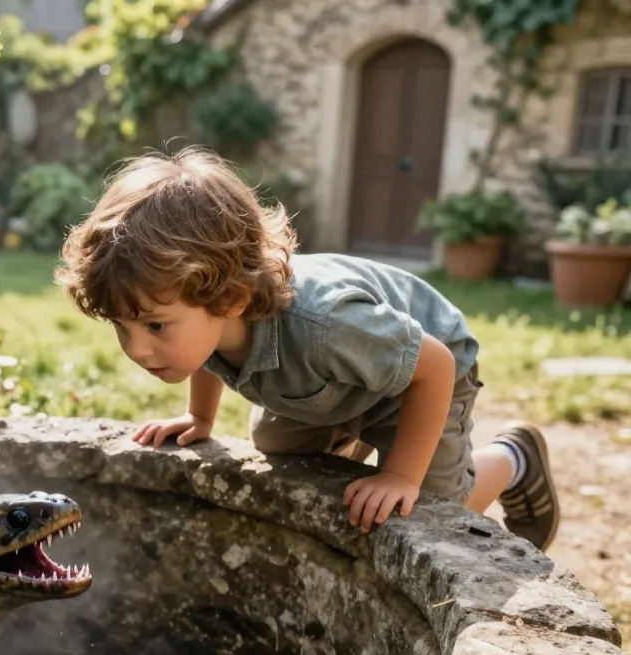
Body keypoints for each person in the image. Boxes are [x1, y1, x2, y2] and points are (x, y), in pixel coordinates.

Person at [54, 146, 558, 550]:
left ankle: (514, 458)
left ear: (230, 299)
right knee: (275, 443)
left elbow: (435, 366)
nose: (138, 350)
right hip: (336, 376)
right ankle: (351, 432)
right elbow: (205, 349)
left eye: (155, 326)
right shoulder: (208, 315)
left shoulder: (326, 323)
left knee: (427, 514)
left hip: (420, 377)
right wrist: (200, 417)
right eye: (121, 326)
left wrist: (401, 476)